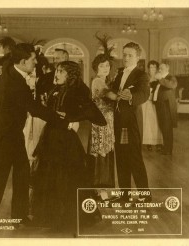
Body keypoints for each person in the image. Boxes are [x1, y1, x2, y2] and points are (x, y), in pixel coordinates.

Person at [0, 43, 71, 228]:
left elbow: (13, 60)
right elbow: (34, 108)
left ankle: (19, 217)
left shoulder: (10, 69)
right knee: (0, 178)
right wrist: (60, 119)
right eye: (33, 60)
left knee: (22, 174)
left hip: (12, 134)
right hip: (5, 137)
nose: (35, 62)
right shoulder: (16, 84)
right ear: (22, 62)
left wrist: (37, 53)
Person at [32, 61, 106, 232]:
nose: (56, 74)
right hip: (51, 137)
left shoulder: (78, 90)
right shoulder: (55, 89)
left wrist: (71, 117)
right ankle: (52, 217)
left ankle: (67, 218)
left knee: (65, 177)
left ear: (70, 75)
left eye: (60, 72)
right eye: (56, 70)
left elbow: (95, 114)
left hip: (65, 140)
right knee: (50, 175)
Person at [112, 42, 151, 202]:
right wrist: (109, 93)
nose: (126, 58)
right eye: (125, 54)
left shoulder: (141, 75)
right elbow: (115, 91)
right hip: (119, 122)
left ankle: (144, 195)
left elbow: (144, 94)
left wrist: (131, 97)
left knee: (134, 156)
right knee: (121, 157)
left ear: (137, 57)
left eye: (130, 55)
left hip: (130, 123)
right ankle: (125, 195)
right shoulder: (120, 73)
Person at [89, 54, 117, 187]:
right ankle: (101, 187)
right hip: (101, 121)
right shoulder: (98, 81)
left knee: (106, 151)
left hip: (108, 121)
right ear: (96, 68)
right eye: (102, 66)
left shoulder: (106, 81)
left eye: (107, 65)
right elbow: (111, 96)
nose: (105, 68)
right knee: (102, 152)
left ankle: (104, 186)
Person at [153, 63, 178, 155]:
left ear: (167, 68)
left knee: (167, 128)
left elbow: (172, 85)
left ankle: (168, 150)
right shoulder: (161, 79)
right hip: (161, 106)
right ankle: (166, 147)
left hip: (166, 107)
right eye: (159, 68)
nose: (159, 70)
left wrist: (160, 79)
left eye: (162, 68)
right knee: (163, 127)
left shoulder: (171, 77)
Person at [142, 60, 163, 151]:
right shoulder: (146, 78)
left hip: (157, 103)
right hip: (147, 102)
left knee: (157, 122)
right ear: (148, 68)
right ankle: (149, 143)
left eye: (154, 67)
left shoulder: (159, 78)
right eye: (151, 67)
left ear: (157, 68)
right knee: (148, 123)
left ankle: (158, 143)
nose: (152, 69)